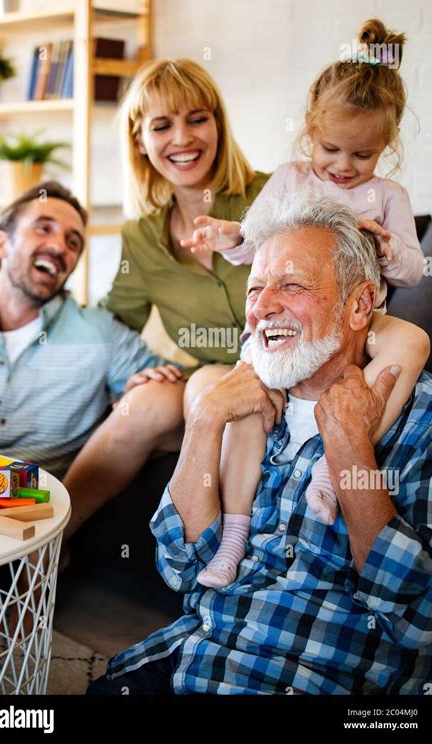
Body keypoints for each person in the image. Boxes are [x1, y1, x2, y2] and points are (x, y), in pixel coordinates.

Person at [88, 196, 432, 695]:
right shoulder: (245, 400)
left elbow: (419, 616)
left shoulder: (430, 418)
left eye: (292, 285)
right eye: (256, 288)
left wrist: (350, 451)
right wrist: (207, 417)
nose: (262, 306)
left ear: (361, 304)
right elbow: (180, 566)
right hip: (192, 659)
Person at [182, 18, 430, 587]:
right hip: (290, 330)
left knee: (411, 339)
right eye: (330, 149)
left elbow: (414, 270)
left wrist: (388, 247)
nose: (343, 166)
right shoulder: (292, 179)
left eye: (362, 155)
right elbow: (252, 238)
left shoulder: (387, 195)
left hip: (359, 323)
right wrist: (227, 237)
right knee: (248, 411)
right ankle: (234, 540)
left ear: (385, 149)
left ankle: (333, 463)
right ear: (308, 135)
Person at [61, 58, 270, 542]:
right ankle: (48, 546)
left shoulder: (274, 195)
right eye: (162, 125)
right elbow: (110, 321)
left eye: (197, 118)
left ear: (218, 123)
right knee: (146, 400)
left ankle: (214, 560)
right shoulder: (142, 237)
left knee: (208, 393)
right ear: (140, 141)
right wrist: (17, 301)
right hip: (209, 391)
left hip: (282, 377)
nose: (183, 138)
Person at [0, 181, 180, 479]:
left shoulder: (101, 332)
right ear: (2, 243)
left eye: (73, 242)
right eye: (43, 228)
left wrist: (148, 388)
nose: (58, 247)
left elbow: (180, 401)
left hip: (43, 514)